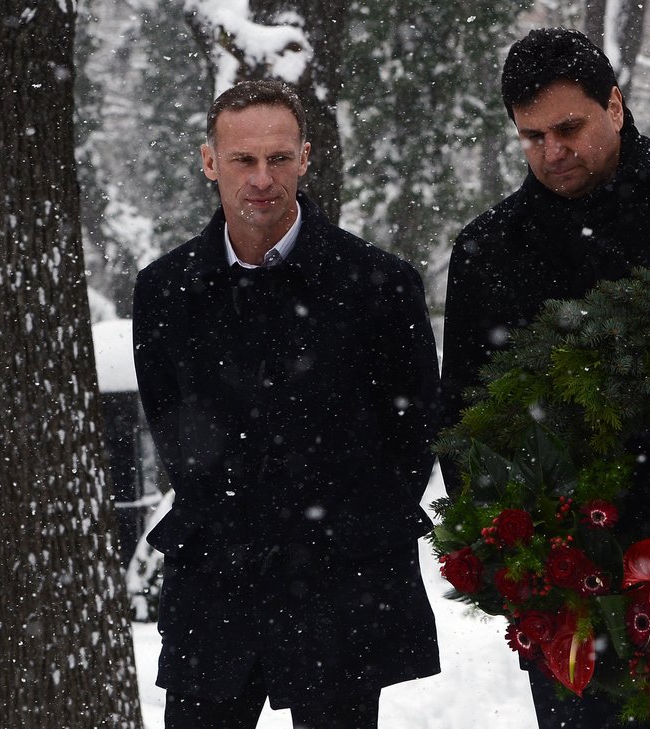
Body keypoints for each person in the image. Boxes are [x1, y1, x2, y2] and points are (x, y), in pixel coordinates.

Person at [440, 27, 650, 728]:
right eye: (531, 136)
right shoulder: (488, 251)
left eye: (568, 127)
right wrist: (516, 566)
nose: (552, 151)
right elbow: (466, 427)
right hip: (571, 591)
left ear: (617, 106)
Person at [132, 80, 440, 729]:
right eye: (244, 159)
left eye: (279, 158)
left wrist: (335, 528)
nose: (262, 178)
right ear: (210, 161)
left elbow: (411, 439)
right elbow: (176, 441)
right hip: (215, 583)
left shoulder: (380, 287)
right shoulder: (165, 293)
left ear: (305, 157)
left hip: (341, 585)